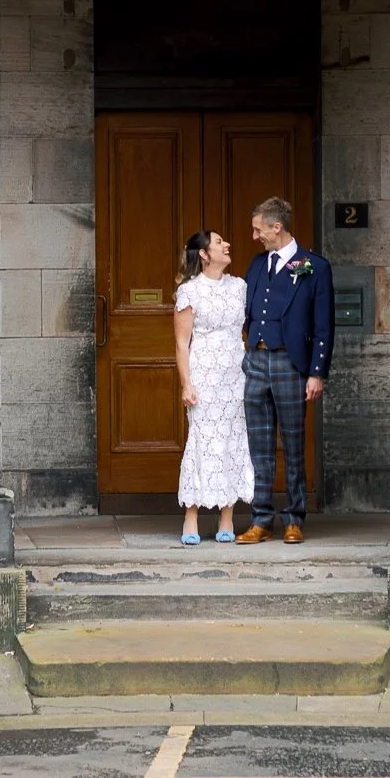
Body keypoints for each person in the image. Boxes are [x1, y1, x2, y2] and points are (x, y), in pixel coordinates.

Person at [235, 197, 333, 545]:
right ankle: (261, 519)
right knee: (259, 447)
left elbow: (324, 325)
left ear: (277, 227)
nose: (254, 236)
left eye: (258, 229)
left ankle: (294, 519)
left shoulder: (314, 266)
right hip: (256, 362)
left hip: (291, 364)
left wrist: (316, 373)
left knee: (293, 445)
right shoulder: (256, 265)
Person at [173, 229, 254, 545]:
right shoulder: (190, 291)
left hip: (234, 373)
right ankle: (191, 515)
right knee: (202, 439)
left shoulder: (239, 287)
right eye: (219, 242)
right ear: (204, 254)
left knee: (232, 440)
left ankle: (227, 515)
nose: (227, 245)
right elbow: (182, 344)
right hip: (204, 373)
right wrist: (186, 384)